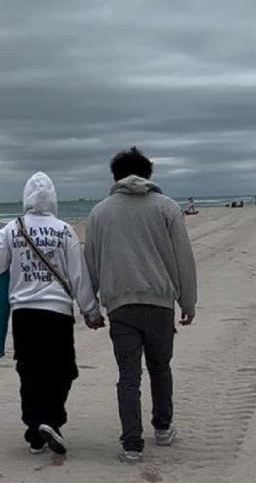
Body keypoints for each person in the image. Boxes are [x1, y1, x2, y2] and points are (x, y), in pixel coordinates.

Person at [84, 147, 197, 463]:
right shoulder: (167, 208)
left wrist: (90, 307)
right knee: (160, 367)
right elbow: (183, 259)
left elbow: (90, 262)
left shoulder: (100, 213)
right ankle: (162, 428)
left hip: (121, 305)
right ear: (148, 174)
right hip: (160, 303)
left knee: (128, 376)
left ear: (115, 176)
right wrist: (187, 300)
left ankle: (131, 444)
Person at [0, 172, 104, 456]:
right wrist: (91, 310)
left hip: (24, 314)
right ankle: (52, 421)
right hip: (58, 312)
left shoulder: (12, 229)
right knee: (63, 370)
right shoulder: (64, 230)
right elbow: (78, 275)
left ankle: (35, 432)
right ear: (53, 198)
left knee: (29, 371)